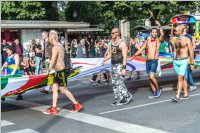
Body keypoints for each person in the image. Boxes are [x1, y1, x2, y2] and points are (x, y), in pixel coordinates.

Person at [43, 30, 83, 115]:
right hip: (58, 71)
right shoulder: (60, 46)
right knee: (54, 89)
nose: (48, 39)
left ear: (52, 37)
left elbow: (53, 60)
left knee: (63, 90)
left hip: (60, 71)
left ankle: (77, 104)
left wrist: (48, 69)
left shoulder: (56, 47)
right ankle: (54, 108)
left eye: (49, 37)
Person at [102, 28, 133, 106]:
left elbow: (125, 57)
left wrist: (123, 68)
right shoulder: (111, 43)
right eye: (111, 33)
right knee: (114, 83)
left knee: (119, 82)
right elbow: (110, 54)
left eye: (113, 33)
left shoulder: (122, 44)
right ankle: (119, 99)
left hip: (120, 65)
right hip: (113, 65)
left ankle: (127, 96)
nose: (111, 34)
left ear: (118, 33)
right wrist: (104, 60)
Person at [135, 20, 164, 98]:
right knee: (149, 78)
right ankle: (154, 92)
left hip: (154, 60)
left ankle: (158, 89)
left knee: (152, 77)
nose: (154, 33)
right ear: (151, 33)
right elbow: (141, 49)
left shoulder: (158, 40)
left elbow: (162, 34)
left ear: (156, 33)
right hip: (148, 61)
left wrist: (160, 26)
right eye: (153, 32)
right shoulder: (147, 41)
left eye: (155, 32)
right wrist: (133, 56)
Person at [172, 25, 195, 102]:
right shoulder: (175, 40)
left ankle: (177, 96)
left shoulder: (187, 39)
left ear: (181, 31)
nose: (175, 32)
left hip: (184, 60)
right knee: (183, 78)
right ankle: (186, 93)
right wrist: (174, 59)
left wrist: (191, 63)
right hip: (176, 61)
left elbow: (191, 51)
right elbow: (175, 50)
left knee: (180, 77)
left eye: (176, 30)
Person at [182, 24, 197, 91]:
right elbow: (194, 46)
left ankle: (190, 85)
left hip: (187, 57)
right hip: (185, 56)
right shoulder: (189, 36)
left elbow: (193, 46)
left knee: (186, 72)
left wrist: (191, 58)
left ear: (185, 29)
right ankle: (191, 85)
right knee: (187, 72)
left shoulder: (188, 37)